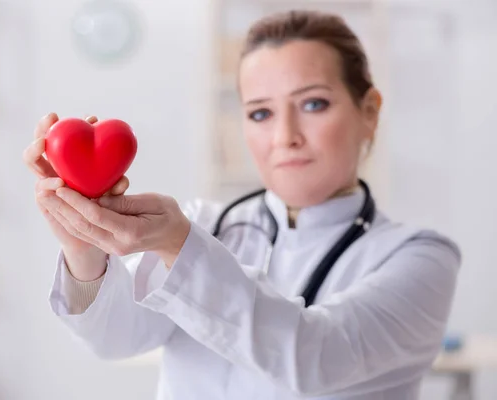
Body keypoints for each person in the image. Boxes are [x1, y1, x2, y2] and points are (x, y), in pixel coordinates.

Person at [23, 9, 461, 400]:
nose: (284, 135)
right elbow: (114, 339)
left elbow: (314, 358)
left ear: (369, 111)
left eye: (313, 103)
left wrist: (180, 246)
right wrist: (83, 245)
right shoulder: (210, 225)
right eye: (260, 113)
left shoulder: (420, 258)